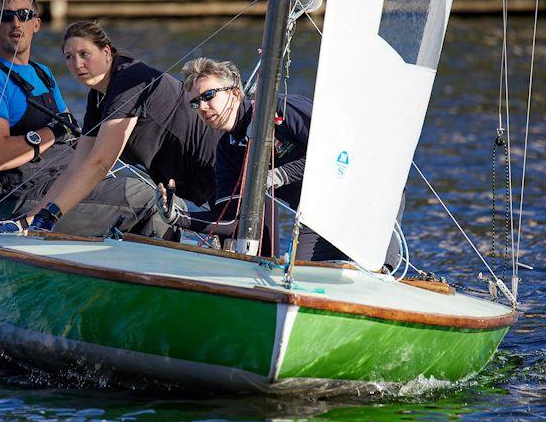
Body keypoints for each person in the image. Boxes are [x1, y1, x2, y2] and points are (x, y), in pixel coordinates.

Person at [155, 57, 404, 268]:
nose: (203, 107)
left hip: (372, 194)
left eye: (208, 95)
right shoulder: (227, 151)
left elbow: (341, 153)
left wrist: (280, 175)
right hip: (321, 218)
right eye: (195, 102)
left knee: (375, 270)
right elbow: (231, 220)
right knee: (302, 276)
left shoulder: (284, 109)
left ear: (235, 93)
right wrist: (178, 217)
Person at [0, 0, 164, 237]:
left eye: (25, 15)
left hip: (65, 183)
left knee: (164, 194)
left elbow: (71, 135)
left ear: (36, 24)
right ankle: (154, 274)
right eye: (6, 17)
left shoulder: (43, 73)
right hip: (26, 196)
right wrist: (50, 134)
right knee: (149, 201)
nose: (16, 24)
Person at [2, 21, 221, 234]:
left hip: (223, 170)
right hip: (206, 186)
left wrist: (51, 216)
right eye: (69, 57)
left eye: (84, 54)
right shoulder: (97, 98)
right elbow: (77, 167)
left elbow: (101, 163)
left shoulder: (128, 80)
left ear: (106, 52)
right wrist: (28, 222)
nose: (76, 64)